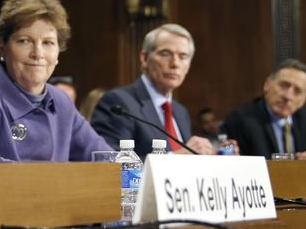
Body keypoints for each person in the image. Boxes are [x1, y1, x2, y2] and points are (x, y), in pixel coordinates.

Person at [0, 0, 112, 161]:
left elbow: (106, 158)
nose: (38, 53)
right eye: (25, 41)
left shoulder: (60, 101)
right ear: (2, 46)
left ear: (58, 52)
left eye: (48, 43)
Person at [91, 24, 214, 158]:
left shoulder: (180, 112)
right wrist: (175, 158)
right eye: (165, 54)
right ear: (144, 58)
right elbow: (111, 161)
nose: (175, 64)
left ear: (189, 65)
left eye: (183, 56)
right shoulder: (118, 103)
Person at [222, 59, 306, 159]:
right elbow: (228, 153)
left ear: (305, 97)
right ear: (267, 85)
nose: (288, 96)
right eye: (284, 86)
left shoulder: (305, 117)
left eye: (297, 91)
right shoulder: (240, 119)